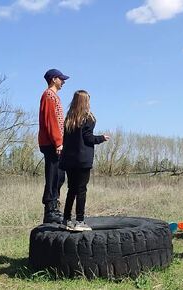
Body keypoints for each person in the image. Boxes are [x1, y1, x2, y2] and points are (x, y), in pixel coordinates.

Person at [59, 90, 109, 231]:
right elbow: (88, 138)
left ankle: (66, 219)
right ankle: (80, 221)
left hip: (69, 160)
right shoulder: (88, 118)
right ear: (86, 102)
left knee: (71, 190)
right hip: (82, 160)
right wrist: (101, 138)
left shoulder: (69, 118)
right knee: (81, 190)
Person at [38, 69, 69, 224]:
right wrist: (58, 142)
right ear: (54, 79)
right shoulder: (49, 95)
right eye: (61, 79)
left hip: (55, 143)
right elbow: (51, 121)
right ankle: (50, 209)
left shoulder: (54, 96)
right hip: (52, 143)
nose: (63, 82)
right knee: (53, 176)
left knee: (60, 175)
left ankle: (54, 207)